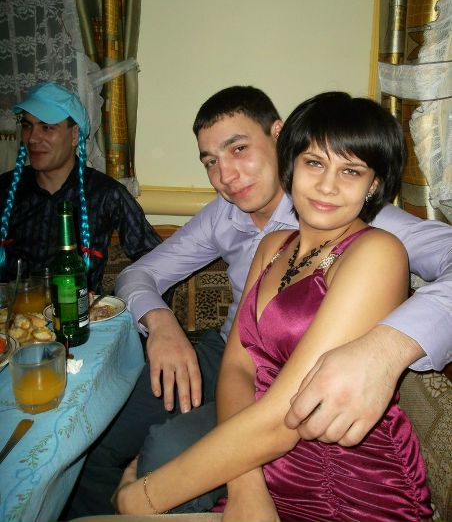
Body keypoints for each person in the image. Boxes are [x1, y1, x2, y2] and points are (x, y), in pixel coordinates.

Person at [64, 85, 452, 517]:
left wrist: (387, 347)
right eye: (211, 161)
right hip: (244, 393)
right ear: (295, 161)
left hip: (340, 480)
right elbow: (236, 363)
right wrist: (162, 325)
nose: (226, 175)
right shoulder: (266, 241)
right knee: (92, 424)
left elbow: (283, 413)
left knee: (162, 450)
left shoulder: (376, 240)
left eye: (239, 149)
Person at [0, 82, 163, 292]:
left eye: (47, 127)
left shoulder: (105, 194)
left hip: (80, 311)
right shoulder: (4, 190)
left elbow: (157, 262)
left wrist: (118, 304)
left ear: (75, 134)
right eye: (27, 126)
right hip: (15, 311)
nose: (32, 138)